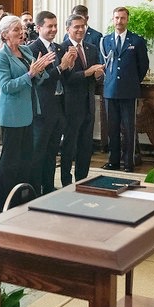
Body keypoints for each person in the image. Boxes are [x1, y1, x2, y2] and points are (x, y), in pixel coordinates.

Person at [0, 14, 55, 211]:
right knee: (10, 162)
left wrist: (41, 70)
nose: (22, 33)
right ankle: (3, 203)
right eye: (16, 30)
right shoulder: (0, 56)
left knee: (26, 159)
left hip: (29, 111)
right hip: (11, 113)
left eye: (22, 29)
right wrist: (30, 73)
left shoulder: (26, 50)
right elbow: (6, 86)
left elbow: (39, 79)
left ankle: (21, 199)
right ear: (5, 35)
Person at [27, 10, 75, 194]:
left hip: (58, 106)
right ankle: (34, 188)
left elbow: (65, 77)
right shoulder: (33, 49)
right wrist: (62, 67)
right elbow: (42, 81)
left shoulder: (59, 48)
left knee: (52, 151)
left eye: (55, 26)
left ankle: (47, 186)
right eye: (50, 26)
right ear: (39, 28)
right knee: (38, 152)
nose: (54, 29)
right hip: (42, 107)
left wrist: (70, 65)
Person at [100, 6, 149, 172]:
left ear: (127, 20)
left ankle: (128, 162)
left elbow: (143, 65)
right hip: (110, 90)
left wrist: (132, 81)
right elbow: (102, 64)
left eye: (122, 18)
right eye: (116, 18)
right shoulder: (105, 40)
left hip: (129, 91)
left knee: (128, 128)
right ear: (113, 19)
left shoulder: (136, 41)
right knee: (112, 128)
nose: (119, 21)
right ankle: (113, 161)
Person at [59, 14, 104, 185]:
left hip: (88, 104)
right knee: (69, 146)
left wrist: (98, 75)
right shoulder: (61, 49)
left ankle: (82, 181)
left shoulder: (91, 48)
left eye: (82, 26)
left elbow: (96, 77)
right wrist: (87, 72)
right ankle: (66, 181)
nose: (80, 29)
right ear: (68, 29)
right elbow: (66, 79)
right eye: (76, 27)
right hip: (70, 105)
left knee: (86, 146)